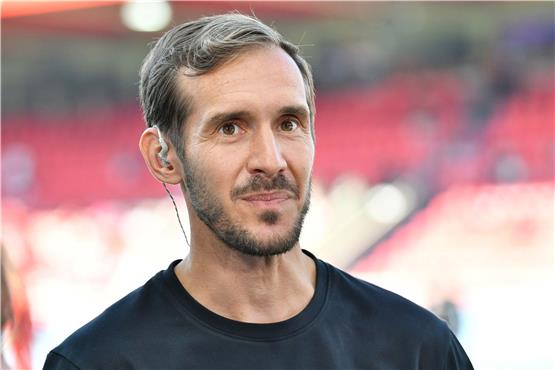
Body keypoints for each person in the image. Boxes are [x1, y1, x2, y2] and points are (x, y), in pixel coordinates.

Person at [44, 13, 473, 370]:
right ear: (163, 156)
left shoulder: (417, 349)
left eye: (289, 124)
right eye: (230, 128)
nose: (270, 159)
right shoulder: (97, 362)